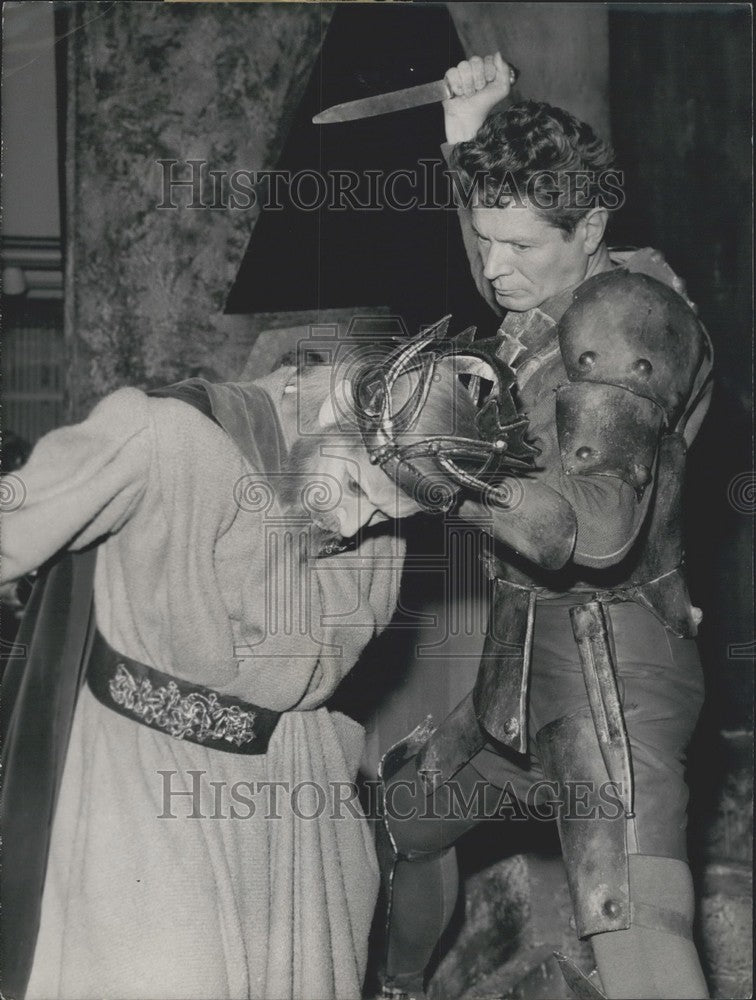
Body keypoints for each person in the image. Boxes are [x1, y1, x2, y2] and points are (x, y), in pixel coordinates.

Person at [0, 322, 534, 1000]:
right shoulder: (168, 440)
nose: (353, 526)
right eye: (354, 489)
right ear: (336, 406)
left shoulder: (380, 525)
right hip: (143, 808)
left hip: (288, 836)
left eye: (383, 516)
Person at [377, 54, 714, 1000]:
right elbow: (516, 283)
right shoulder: (555, 290)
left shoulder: (632, 320)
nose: (493, 268)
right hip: (521, 678)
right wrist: (470, 138)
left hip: (618, 692)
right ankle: (399, 990)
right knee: (407, 817)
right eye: (484, 237)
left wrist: (447, 472)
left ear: (592, 229)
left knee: (638, 942)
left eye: (519, 245)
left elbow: (595, 532)